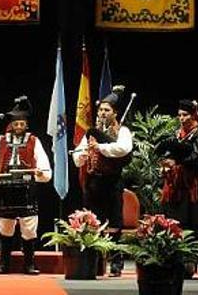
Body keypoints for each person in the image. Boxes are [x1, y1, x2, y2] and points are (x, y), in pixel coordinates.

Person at [0, 95, 52, 275]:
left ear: (26, 125)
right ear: (11, 125)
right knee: (5, 226)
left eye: (22, 124)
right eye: (16, 124)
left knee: (29, 227)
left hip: (27, 188)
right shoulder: (2, 141)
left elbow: (43, 163)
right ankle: (3, 264)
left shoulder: (33, 141)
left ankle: (29, 264)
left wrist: (41, 172)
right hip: (5, 188)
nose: (19, 127)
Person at [72, 86, 132, 276]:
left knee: (114, 222)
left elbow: (123, 149)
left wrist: (100, 147)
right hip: (93, 182)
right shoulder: (92, 131)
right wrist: (80, 157)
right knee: (91, 222)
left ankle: (115, 264)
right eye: (101, 110)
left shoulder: (122, 130)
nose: (103, 113)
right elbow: (79, 151)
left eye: (107, 110)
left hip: (112, 181)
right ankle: (94, 263)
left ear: (115, 113)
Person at [156, 99, 198, 278]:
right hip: (174, 184)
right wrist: (165, 163)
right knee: (173, 222)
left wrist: (178, 160)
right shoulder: (176, 134)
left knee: (189, 223)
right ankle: (172, 260)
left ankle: (188, 264)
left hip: (191, 185)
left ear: (193, 115)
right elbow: (166, 152)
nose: (181, 118)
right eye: (179, 115)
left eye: (185, 115)